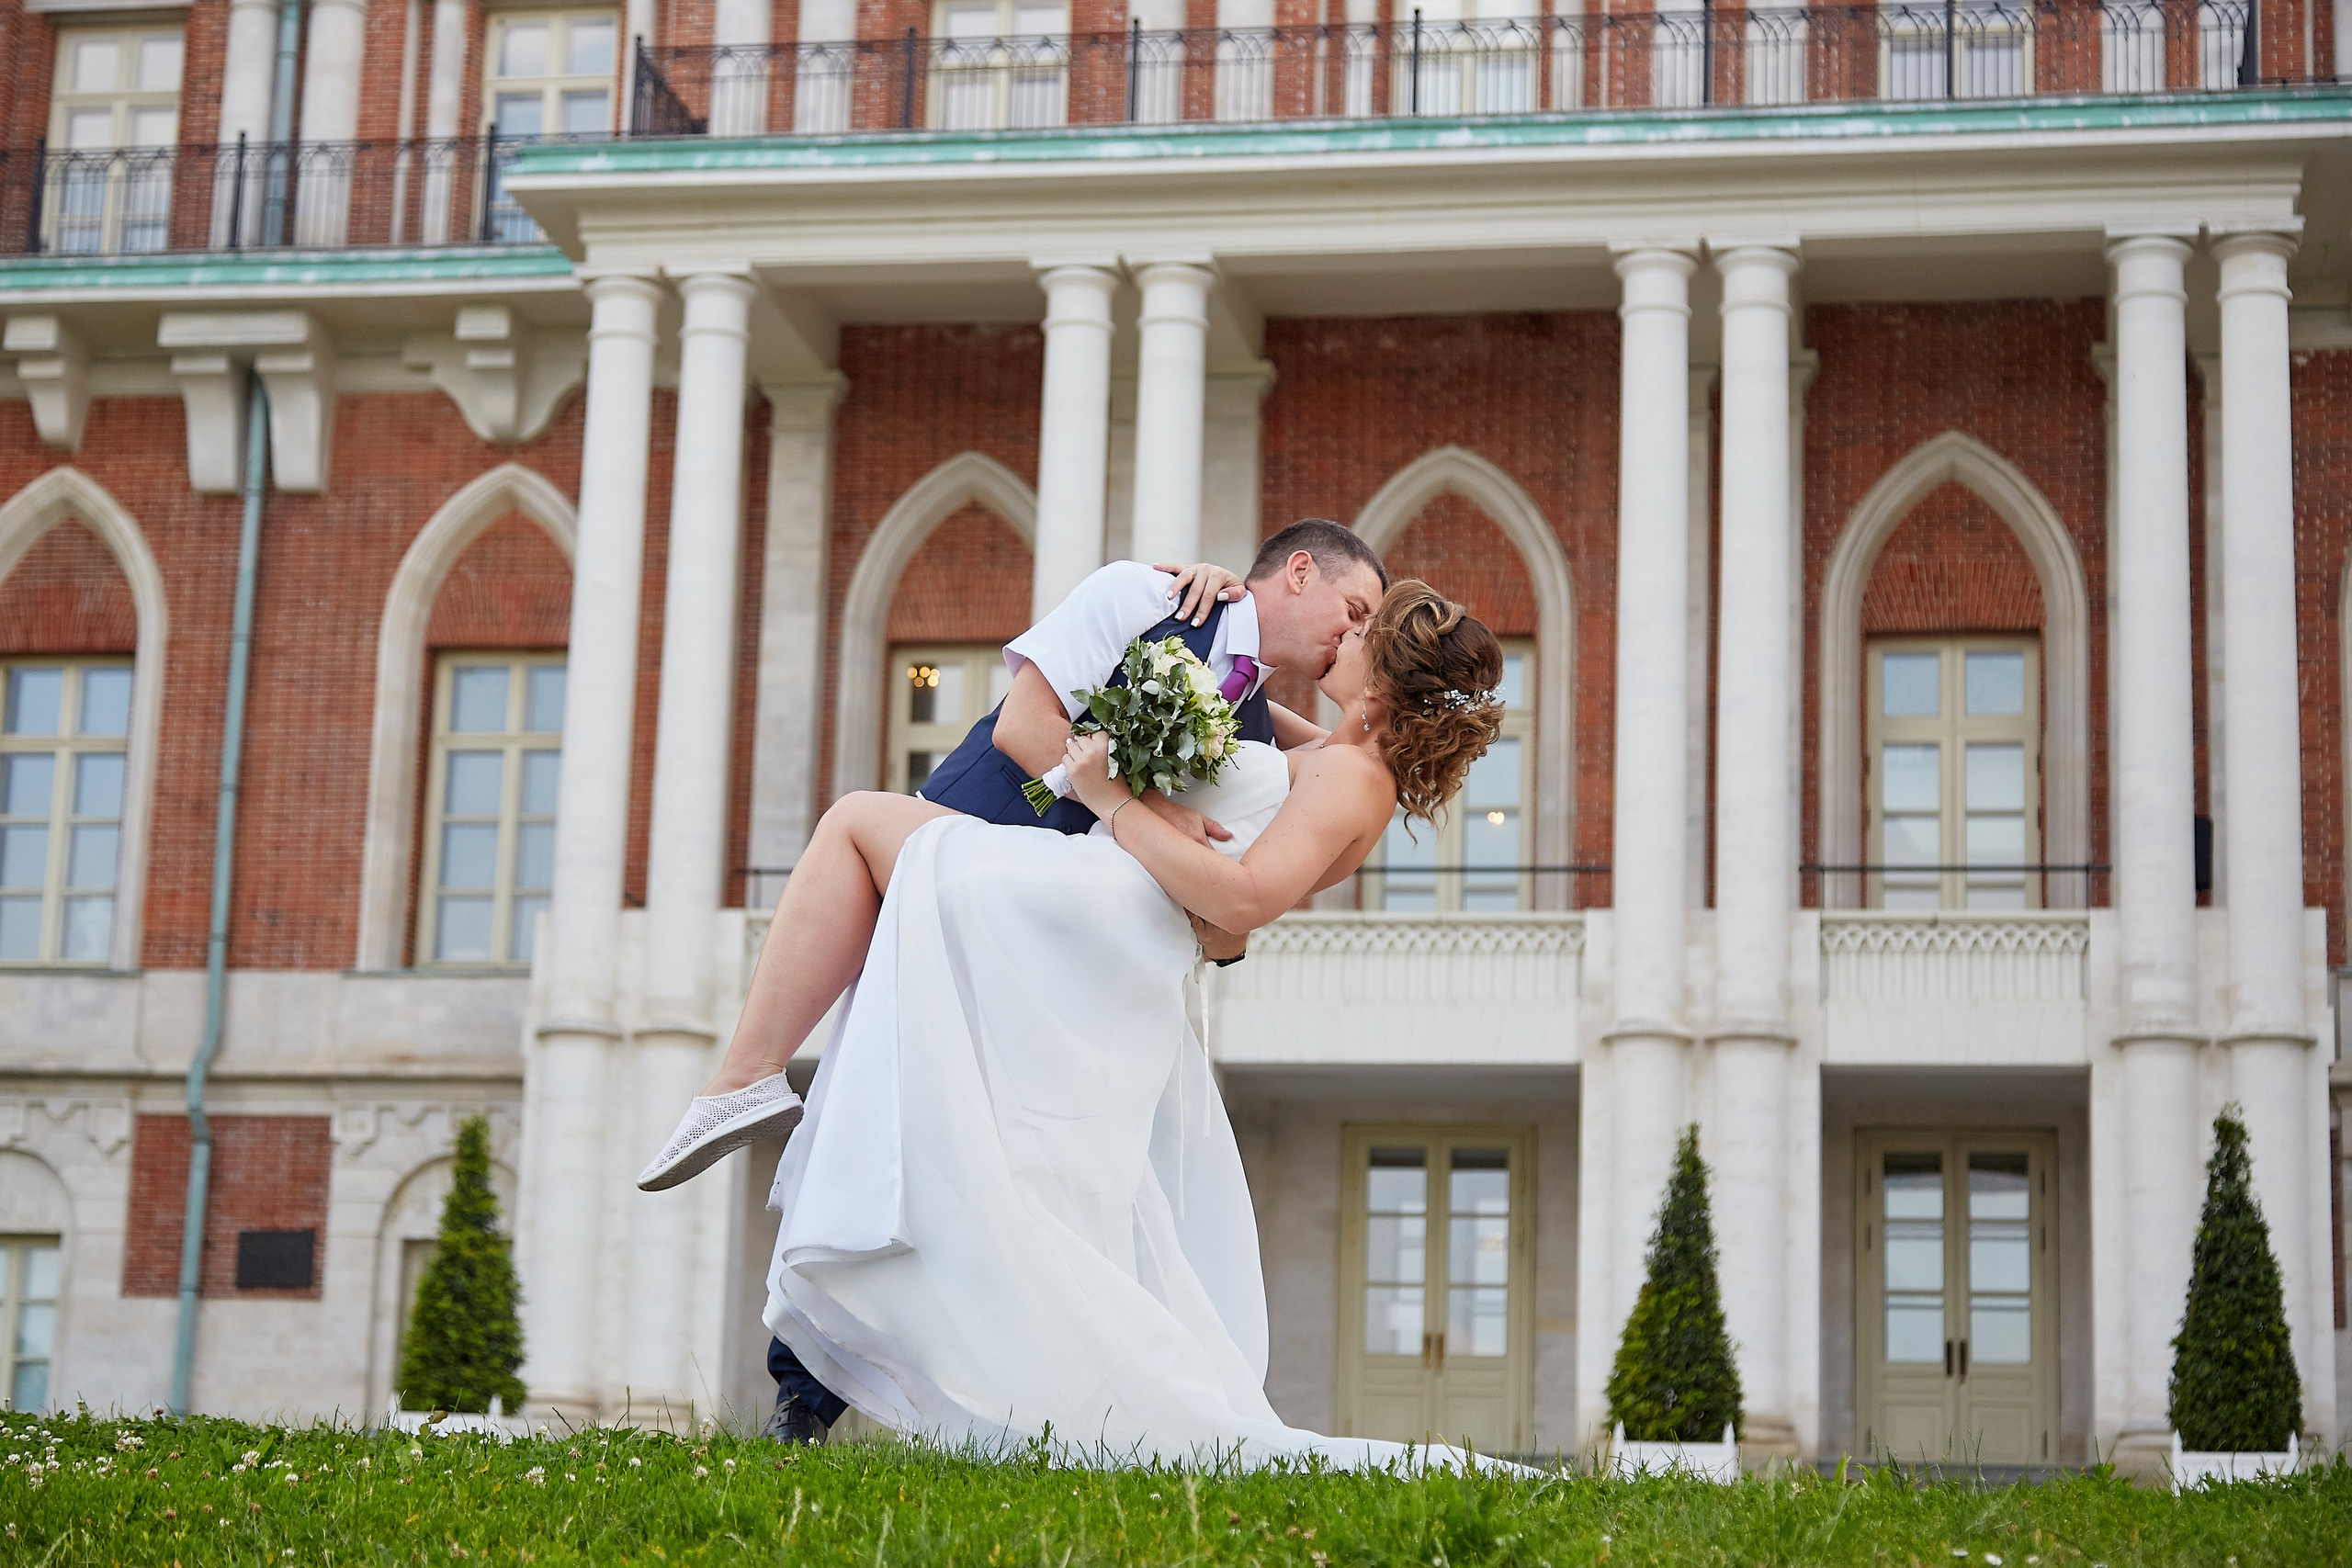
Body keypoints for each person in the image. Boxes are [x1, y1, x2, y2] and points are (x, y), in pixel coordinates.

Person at [643, 577, 1506, 1465]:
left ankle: (743, 1079)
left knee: (859, 824)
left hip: (1098, 902)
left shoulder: (1354, 780)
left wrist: (1112, 798)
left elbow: (1243, 902)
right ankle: (760, 1105)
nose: (1347, 635)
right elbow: (1250, 739)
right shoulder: (1341, 754)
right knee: (977, 1127)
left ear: (1382, 679)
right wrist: (1221, 620)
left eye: (1365, 629)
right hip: (1108, 915)